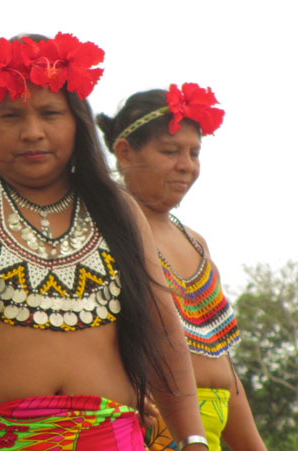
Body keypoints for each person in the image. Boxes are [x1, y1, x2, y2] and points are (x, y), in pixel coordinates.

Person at [0, 33, 209, 450]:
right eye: (11, 116)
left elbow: (163, 332)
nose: (32, 132)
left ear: (77, 122)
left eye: (50, 113)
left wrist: (193, 438)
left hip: (110, 436)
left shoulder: (118, 210)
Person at [97, 83, 266, 450]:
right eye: (170, 150)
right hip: (145, 426)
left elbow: (218, 358)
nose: (186, 165)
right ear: (124, 152)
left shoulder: (195, 243)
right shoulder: (103, 231)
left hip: (208, 435)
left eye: (194, 152)